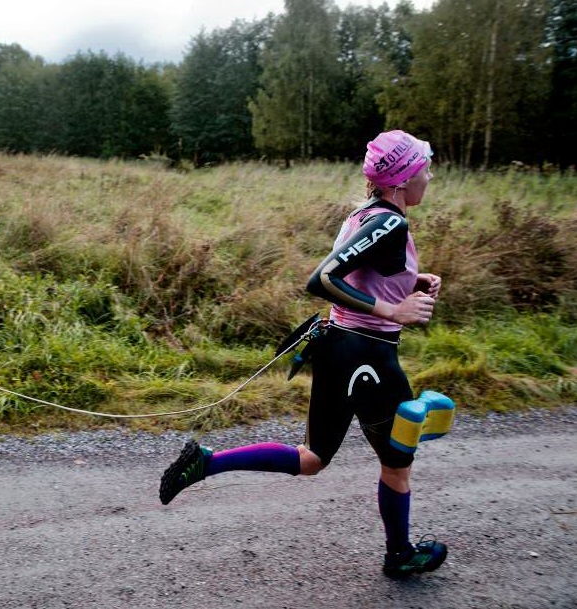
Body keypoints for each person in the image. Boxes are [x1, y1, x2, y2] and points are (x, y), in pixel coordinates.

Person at [158, 130, 448, 578]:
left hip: (338, 345)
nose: (430, 176)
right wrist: (395, 309)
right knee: (397, 462)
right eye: (425, 169)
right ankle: (400, 555)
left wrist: (410, 281)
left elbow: (360, 275)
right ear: (401, 179)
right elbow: (323, 279)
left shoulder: (367, 215)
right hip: (368, 356)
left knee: (312, 458)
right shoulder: (392, 222)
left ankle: (206, 463)